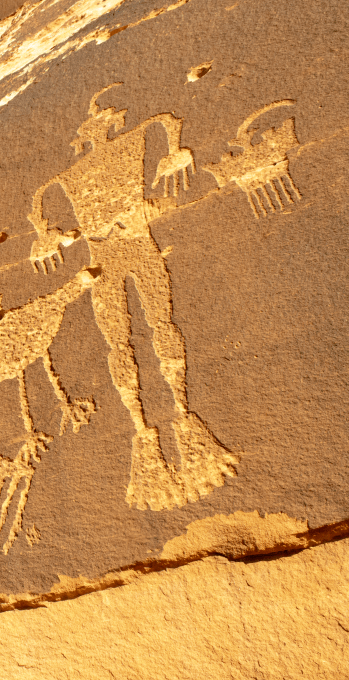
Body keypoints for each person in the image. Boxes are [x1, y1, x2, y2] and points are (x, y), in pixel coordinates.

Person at [25, 84, 238, 511]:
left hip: (125, 248)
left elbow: (168, 123)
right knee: (128, 337)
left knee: (147, 330)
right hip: (116, 251)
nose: (100, 132)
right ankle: (151, 432)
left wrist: (44, 232)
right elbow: (40, 203)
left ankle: (174, 419)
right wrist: (44, 234)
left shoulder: (114, 151)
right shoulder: (88, 167)